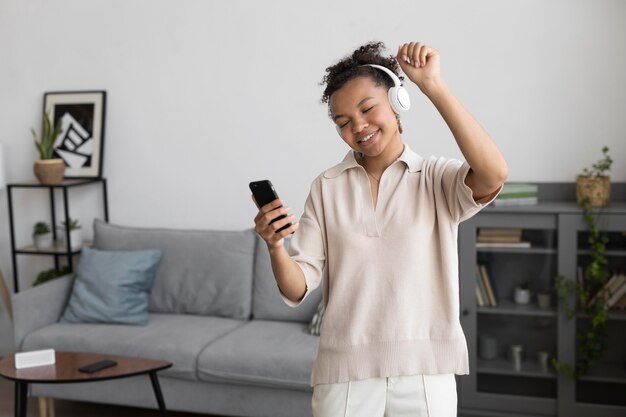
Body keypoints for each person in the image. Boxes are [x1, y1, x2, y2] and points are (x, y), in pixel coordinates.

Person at [253, 41, 508, 417]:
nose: (358, 126)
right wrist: (275, 246)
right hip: (344, 374)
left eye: (368, 109)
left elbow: (493, 173)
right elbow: (298, 286)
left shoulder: (436, 178)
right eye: (342, 123)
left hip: (425, 370)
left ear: (398, 103)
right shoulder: (327, 186)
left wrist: (434, 86)